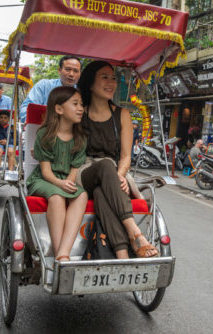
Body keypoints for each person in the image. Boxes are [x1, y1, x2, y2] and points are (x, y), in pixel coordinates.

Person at [76, 60, 158, 259]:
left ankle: (122, 253)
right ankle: (134, 233)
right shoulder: (79, 111)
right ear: (90, 83)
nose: (111, 82)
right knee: (104, 166)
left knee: (101, 191)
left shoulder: (123, 115)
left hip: (112, 174)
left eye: (113, 78)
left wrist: (120, 176)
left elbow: (126, 156)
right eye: (104, 77)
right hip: (84, 171)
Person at [26, 86, 88, 262]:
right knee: (56, 198)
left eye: (81, 104)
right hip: (44, 179)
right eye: (75, 104)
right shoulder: (45, 135)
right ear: (59, 109)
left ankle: (63, 252)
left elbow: (74, 170)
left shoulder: (81, 138)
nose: (80, 108)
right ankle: (60, 255)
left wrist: (68, 184)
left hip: (65, 179)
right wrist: (61, 185)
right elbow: (46, 171)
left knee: (81, 195)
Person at [19, 56, 82, 123]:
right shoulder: (44, 86)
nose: (71, 74)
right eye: (67, 69)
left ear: (80, 74)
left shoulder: (82, 93)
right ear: (59, 70)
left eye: (75, 71)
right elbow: (26, 110)